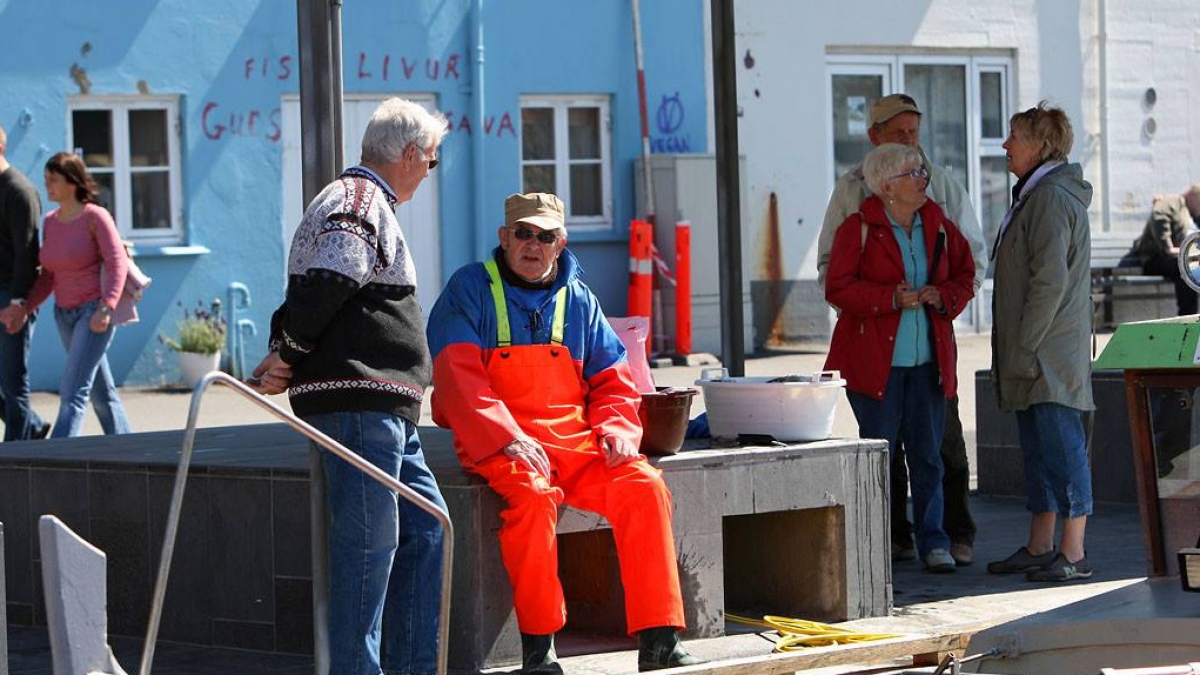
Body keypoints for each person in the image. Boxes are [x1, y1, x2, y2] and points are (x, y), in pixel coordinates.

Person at [426, 192, 699, 674]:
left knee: (645, 487)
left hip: (577, 445)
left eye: (545, 236)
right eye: (523, 234)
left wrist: (618, 430)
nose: (533, 244)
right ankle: (539, 650)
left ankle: (660, 640)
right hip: (502, 446)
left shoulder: (581, 299)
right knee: (533, 502)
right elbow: (456, 377)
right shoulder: (469, 289)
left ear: (561, 243)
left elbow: (614, 380)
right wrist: (506, 435)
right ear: (504, 238)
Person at [249, 98, 449, 675]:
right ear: (409, 154)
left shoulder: (358, 200)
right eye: (431, 160)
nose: (429, 172)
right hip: (361, 402)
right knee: (367, 552)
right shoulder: (358, 200)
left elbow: (314, 290)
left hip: (382, 406)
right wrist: (289, 352)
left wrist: (286, 348)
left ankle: (409, 667)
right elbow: (329, 283)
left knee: (427, 529)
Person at [818, 93, 987, 566]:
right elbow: (834, 278)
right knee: (882, 453)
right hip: (876, 359)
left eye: (914, 132)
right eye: (899, 134)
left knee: (938, 450)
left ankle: (947, 536)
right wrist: (884, 301)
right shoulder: (855, 207)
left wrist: (945, 298)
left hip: (930, 356)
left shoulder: (938, 205)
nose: (913, 146)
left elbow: (969, 264)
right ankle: (889, 538)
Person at [987, 101, 1095, 583]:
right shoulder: (1038, 194)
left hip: (1047, 353)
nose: (1005, 145)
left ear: (1041, 146)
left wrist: (1025, 348)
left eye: (1014, 136)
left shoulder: (1049, 197)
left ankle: (1074, 552)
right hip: (1037, 351)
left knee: (1062, 448)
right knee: (1039, 450)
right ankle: (1040, 544)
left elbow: (1050, 282)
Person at [2, 152, 131, 438]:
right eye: (46, 179)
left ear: (72, 182)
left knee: (73, 390)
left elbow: (116, 262)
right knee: (101, 391)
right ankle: (127, 444)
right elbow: (49, 275)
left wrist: (107, 306)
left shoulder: (94, 216)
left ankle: (59, 452)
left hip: (93, 313)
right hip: (64, 314)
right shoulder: (51, 221)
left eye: (53, 180)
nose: (47, 185)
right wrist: (24, 308)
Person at [0, 124, 50, 440]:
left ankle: (14, 454)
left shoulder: (19, 191)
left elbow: (27, 253)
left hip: (12, 294)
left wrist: (19, 303)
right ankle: (31, 426)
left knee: (12, 380)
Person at [1134, 185, 1200, 315]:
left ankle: (1191, 315)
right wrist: (1168, 247)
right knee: (1186, 267)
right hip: (1155, 258)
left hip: (1178, 256)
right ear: (1193, 196)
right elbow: (1159, 216)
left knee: (1189, 265)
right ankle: (1187, 317)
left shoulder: (1189, 213)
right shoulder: (1172, 202)